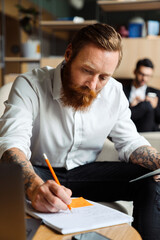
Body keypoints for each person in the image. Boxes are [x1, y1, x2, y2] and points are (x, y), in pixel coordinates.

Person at [0, 23, 160, 240]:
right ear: (69, 54)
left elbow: (130, 142)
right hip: (41, 172)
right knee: (7, 176)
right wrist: (34, 186)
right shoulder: (30, 85)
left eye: (103, 77)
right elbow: (11, 146)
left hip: (87, 174)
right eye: (87, 70)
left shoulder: (114, 93)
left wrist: (158, 160)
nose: (93, 85)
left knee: (153, 179)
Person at [123, 58, 160, 132]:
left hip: (148, 129)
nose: (144, 78)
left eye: (148, 76)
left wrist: (155, 107)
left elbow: (158, 119)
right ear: (135, 72)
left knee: (147, 106)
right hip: (129, 127)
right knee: (146, 105)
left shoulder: (156, 93)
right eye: (142, 74)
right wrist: (131, 106)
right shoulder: (122, 90)